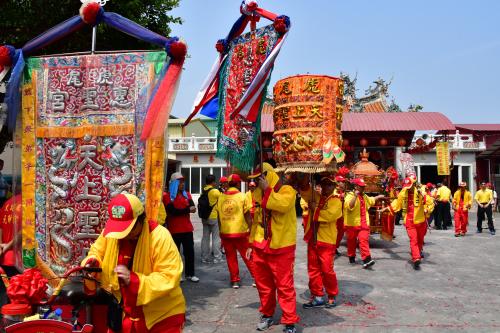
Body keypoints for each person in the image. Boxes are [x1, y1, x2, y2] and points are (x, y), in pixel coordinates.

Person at [82, 193, 185, 333]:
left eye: (127, 229)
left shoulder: (159, 236)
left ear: (140, 220)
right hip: (124, 312)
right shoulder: (112, 232)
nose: (122, 234)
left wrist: (135, 280)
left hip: (161, 316)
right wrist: (92, 262)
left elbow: (169, 276)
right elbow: (97, 251)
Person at [247, 163, 299, 333]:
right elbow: (256, 221)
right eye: (254, 180)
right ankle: (267, 314)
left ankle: (289, 321)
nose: (254, 183)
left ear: (266, 176)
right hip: (260, 246)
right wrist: (250, 243)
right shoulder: (257, 193)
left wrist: (267, 189)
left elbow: (281, 205)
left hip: (282, 247)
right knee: (263, 286)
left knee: (284, 286)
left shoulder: (287, 191)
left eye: (258, 179)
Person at [300, 175, 342, 309]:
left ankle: (331, 295)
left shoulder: (336, 201)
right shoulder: (317, 197)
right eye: (324, 184)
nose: (325, 187)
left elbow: (329, 216)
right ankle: (317, 296)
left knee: (327, 270)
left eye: (329, 185)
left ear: (334, 186)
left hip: (327, 240)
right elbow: (305, 192)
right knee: (313, 270)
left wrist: (315, 208)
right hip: (313, 239)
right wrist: (304, 180)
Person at [382, 177, 434, 270]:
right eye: (407, 186)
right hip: (409, 221)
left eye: (409, 186)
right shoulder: (403, 191)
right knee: (413, 240)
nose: (408, 188)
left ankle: (418, 251)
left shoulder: (421, 191)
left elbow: (430, 203)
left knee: (420, 240)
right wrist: (387, 208)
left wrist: (427, 209)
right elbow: (397, 203)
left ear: (414, 185)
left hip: (421, 220)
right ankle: (416, 258)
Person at [215, 174, 254, 289]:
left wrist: (221, 230)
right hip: (240, 232)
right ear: (237, 184)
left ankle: (235, 281)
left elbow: (218, 216)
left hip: (226, 233)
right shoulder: (242, 196)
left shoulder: (221, 197)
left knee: (230, 258)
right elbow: (247, 216)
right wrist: (251, 229)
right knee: (248, 255)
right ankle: (256, 278)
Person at [163, 172, 199, 282]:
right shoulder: (167, 196)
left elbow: (193, 207)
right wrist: (187, 210)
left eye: (183, 181)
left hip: (187, 228)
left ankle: (190, 274)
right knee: (175, 254)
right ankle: (178, 274)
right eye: (180, 182)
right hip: (174, 229)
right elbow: (172, 212)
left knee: (189, 253)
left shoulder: (187, 194)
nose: (182, 184)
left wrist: (186, 210)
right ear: (174, 183)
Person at [344, 178, 384, 268]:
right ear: (356, 187)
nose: (363, 188)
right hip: (352, 224)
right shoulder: (349, 195)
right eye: (361, 187)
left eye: (363, 187)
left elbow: (371, 200)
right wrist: (355, 196)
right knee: (351, 241)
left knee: (363, 241)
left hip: (364, 223)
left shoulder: (364, 196)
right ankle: (351, 256)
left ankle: (367, 259)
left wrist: (379, 197)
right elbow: (350, 206)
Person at [0, 194, 22, 309]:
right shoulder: (28, 202)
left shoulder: (7, 203)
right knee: (19, 296)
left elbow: (1, 227)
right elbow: (24, 231)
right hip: (19, 259)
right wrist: (8, 246)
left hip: (5, 258)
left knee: (8, 293)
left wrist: (1, 247)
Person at [200, 175, 222, 264]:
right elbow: (222, 199)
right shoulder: (215, 191)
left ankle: (204, 257)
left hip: (204, 217)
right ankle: (217, 257)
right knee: (216, 238)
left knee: (205, 238)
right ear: (213, 182)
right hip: (213, 217)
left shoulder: (203, 190)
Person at [334, 175, 347, 255]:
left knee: (341, 232)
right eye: (342, 182)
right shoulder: (334, 191)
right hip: (334, 216)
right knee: (334, 232)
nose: (343, 184)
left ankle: (335, 246)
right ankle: (332, 247)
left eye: (344, 182)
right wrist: (339, 196)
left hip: (342, 216)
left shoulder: (343, 192)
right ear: (337, 183)